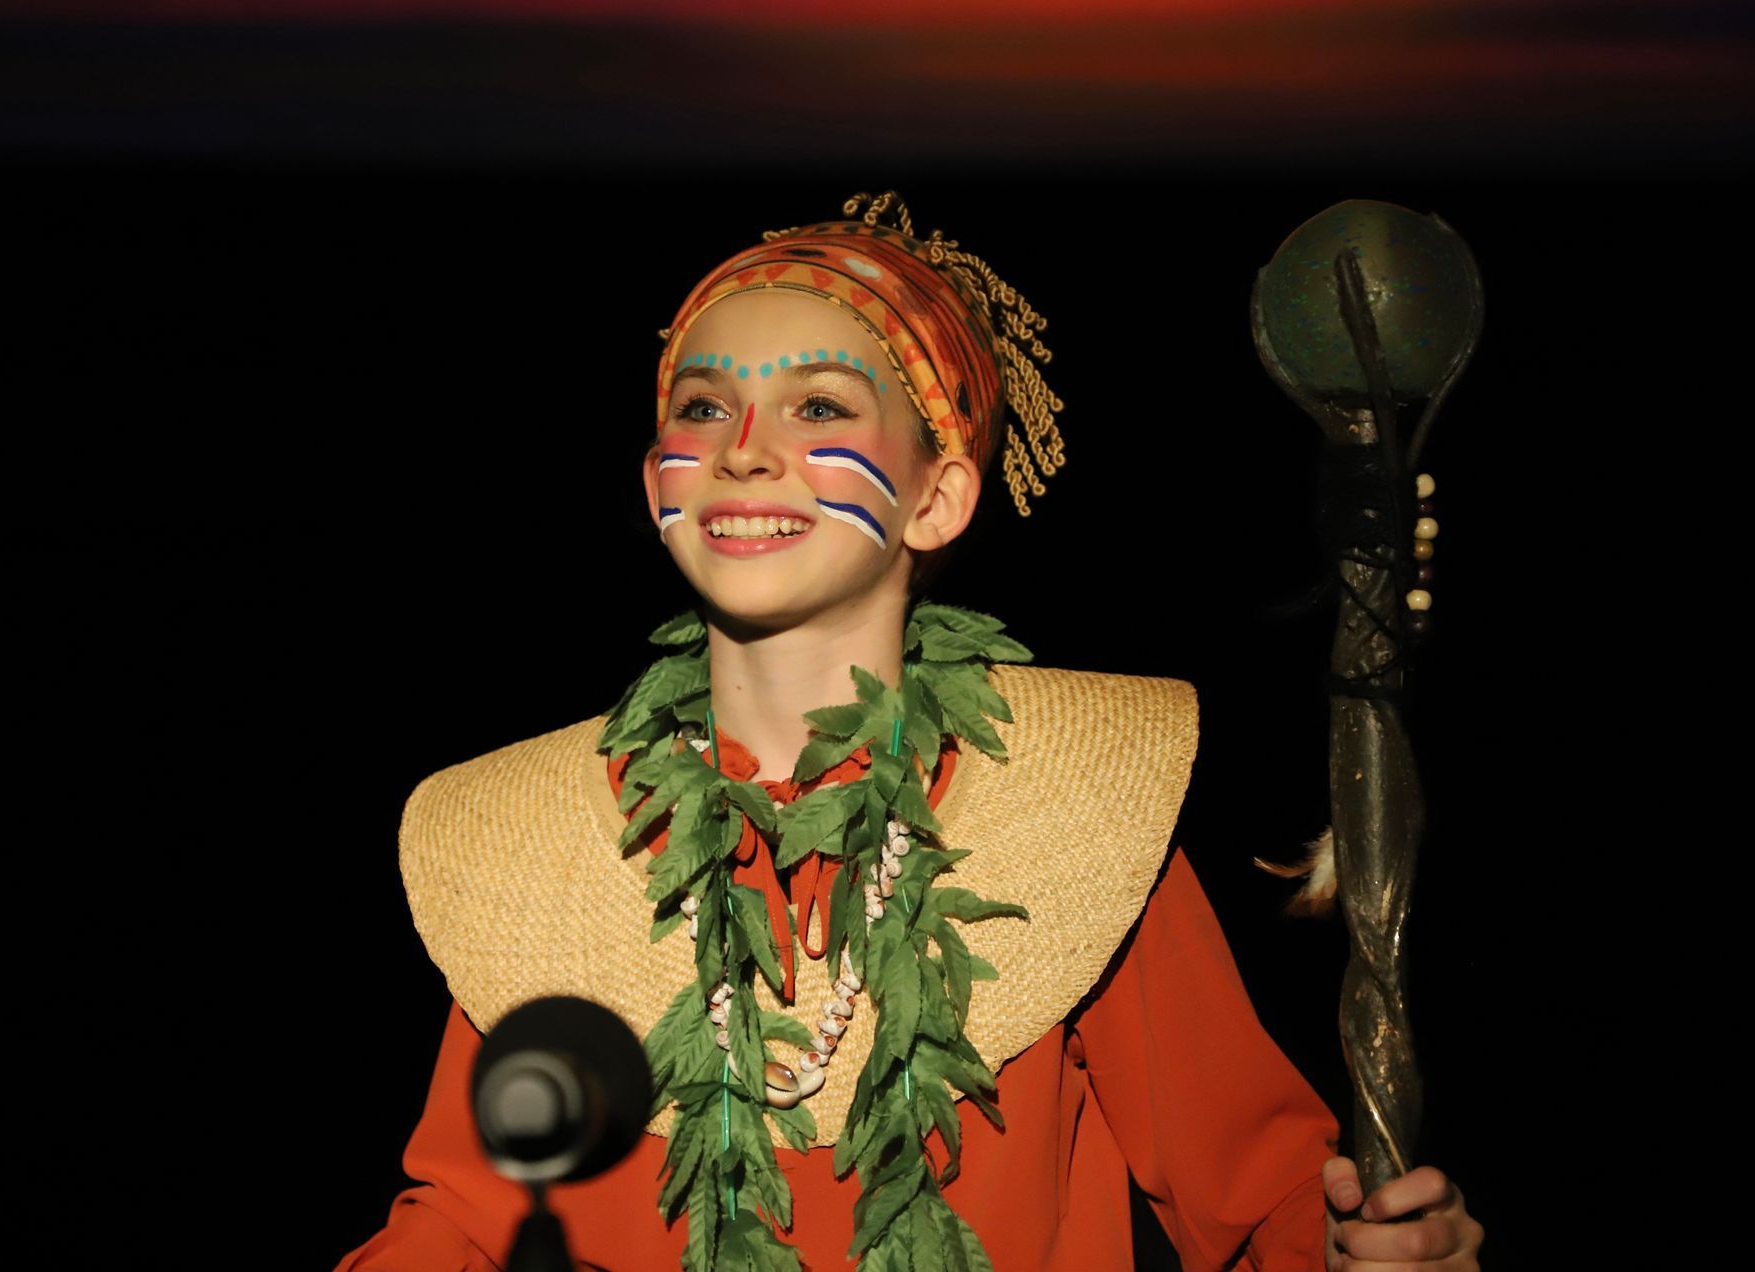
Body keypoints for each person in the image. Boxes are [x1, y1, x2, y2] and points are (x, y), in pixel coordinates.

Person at [338, 191, 1484, 1271]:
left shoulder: (1068, 811)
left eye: (822, 407)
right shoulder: (547, 847)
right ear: (657, 485)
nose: (743, 447)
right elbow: (464, 1220)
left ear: (937, 496)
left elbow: (1264, 1202)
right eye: (701, 405)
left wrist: (1355, 1250)